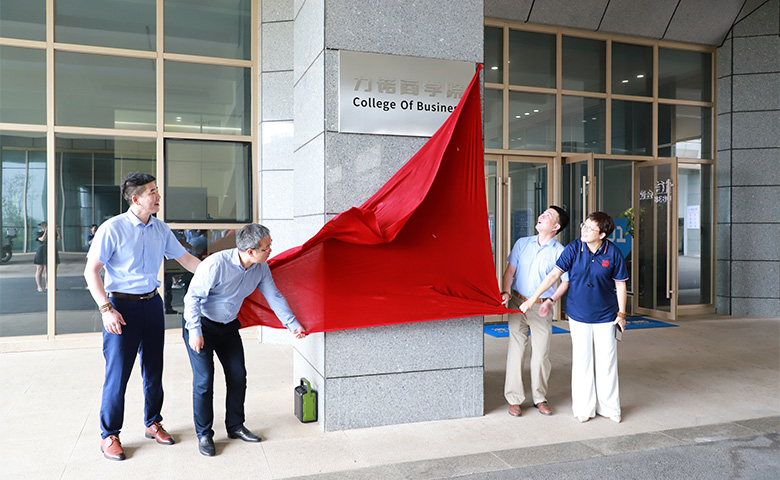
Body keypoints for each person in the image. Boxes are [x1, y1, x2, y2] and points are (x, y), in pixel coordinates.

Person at [84, 172, 201, 461]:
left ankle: (153, 422)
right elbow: (91, 271)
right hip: (120, 308)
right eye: (152, 192)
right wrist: (106, 309)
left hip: (152, 305)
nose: (158, 196)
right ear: (136, 199)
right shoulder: (113, 228)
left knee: (154, 369)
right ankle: (109, 434)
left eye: (157, 190)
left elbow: (186, 260)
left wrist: (220, 274)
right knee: (117, 374)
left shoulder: (161, 229)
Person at [183, 223, 307, 457]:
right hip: (201, 325)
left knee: (238, 375)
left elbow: (274, 296)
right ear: (250, 251)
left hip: (228, 327)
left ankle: (235, 426)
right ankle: (204, 434)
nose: (270, 250)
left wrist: (292, 324)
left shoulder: (260, 268)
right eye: (266, 247)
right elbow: (192, 299)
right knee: (204, 380)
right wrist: (195, 331)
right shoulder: (215, 265)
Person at [520, 211, 628, 424]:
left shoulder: (613, 253)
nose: (584, 230)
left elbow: (620, 284)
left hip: (606, 315)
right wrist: (533, 299)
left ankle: (609, 408)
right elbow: (553, 275)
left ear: (603, 234)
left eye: (590, 228)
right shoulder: (573, 249)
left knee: (607, 362)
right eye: (584, 226)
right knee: (582, 360)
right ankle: (583, 409)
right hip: (578, 314)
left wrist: (621, 314)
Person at [500, 206, 570, 417]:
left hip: (541, 307)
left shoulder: (561, 252)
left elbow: (565, 283)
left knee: (540, 356)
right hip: (516, 303)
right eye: (543, 213)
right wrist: (505, 291)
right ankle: (514, 399)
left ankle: (540, 398)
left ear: (556, 226)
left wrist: (550, 300)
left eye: (548, 216)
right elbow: (510, 271)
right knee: (516, 351)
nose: (542, 216)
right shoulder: (522, 243)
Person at [33, 221, 59, 292]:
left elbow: (59, 237)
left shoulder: (53, 233)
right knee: (40, 268)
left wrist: (56, 229)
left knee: (49, 270)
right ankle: (39, 286)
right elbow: (42, 239)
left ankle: (48, 285)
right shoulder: (38, 233)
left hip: (51, 251)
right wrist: (46, 232)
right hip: (41, 251)